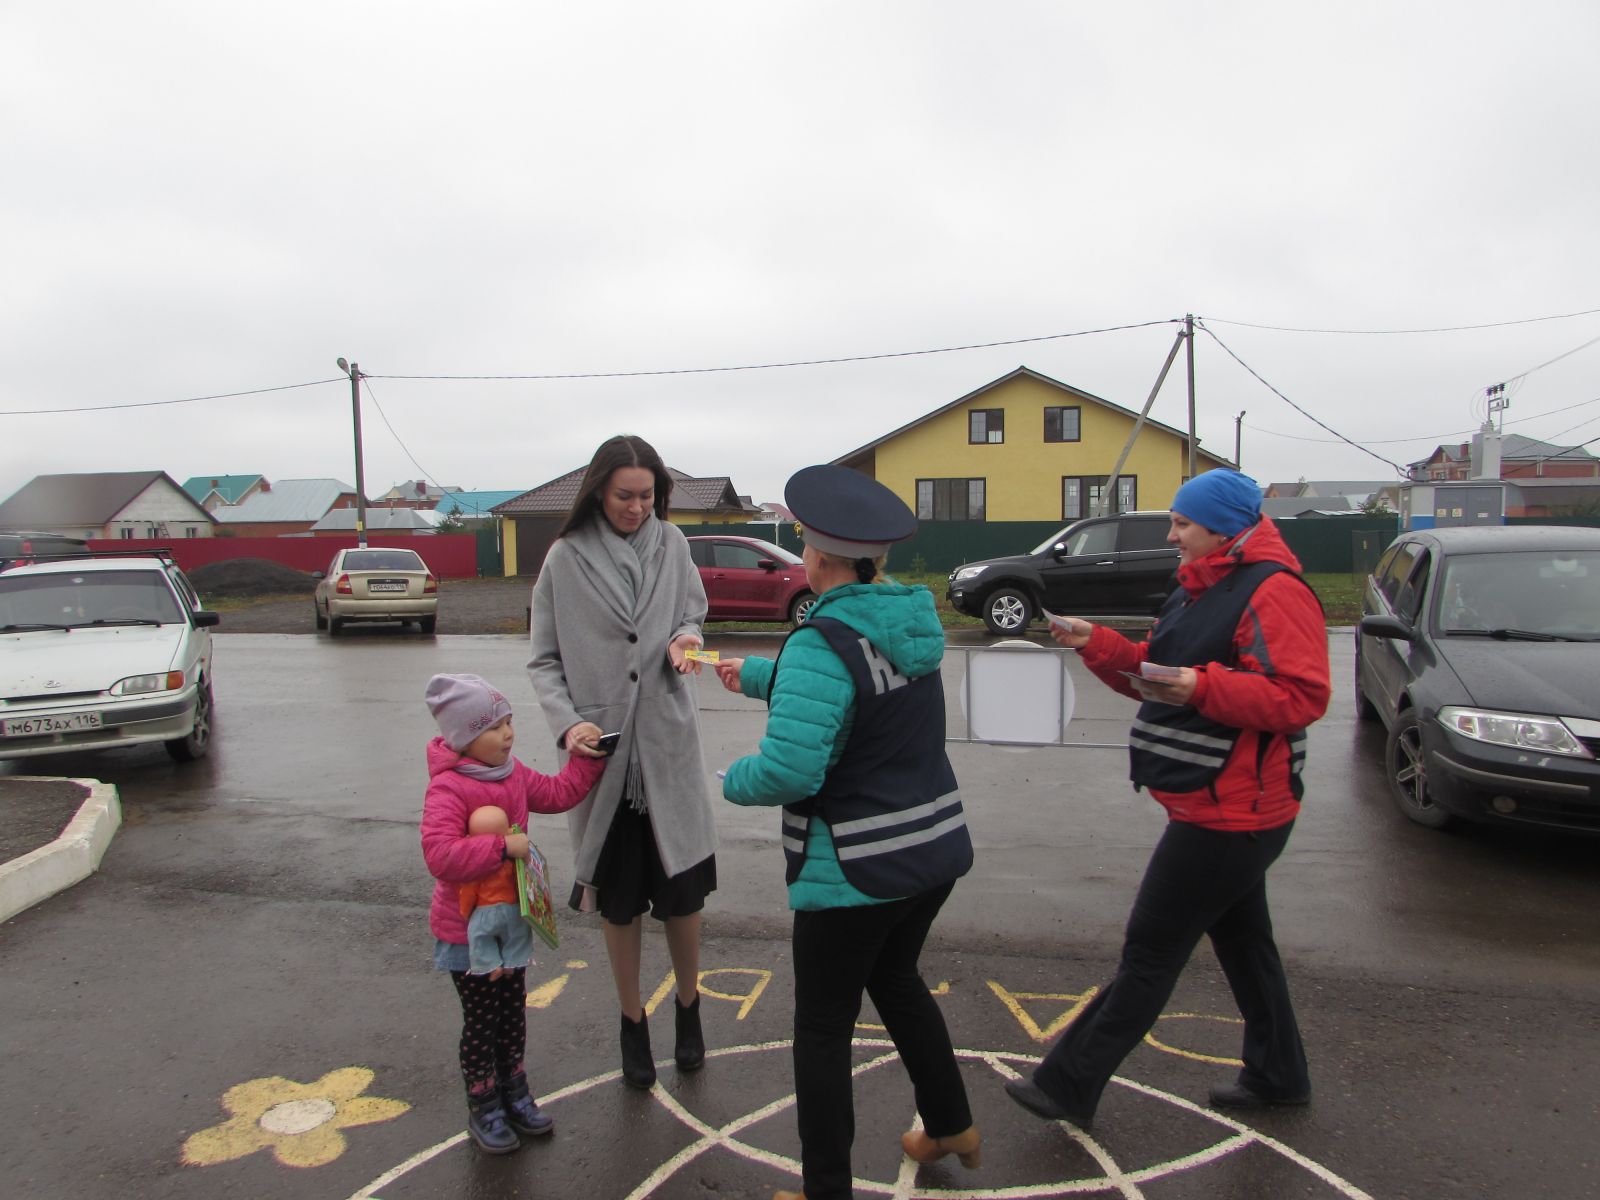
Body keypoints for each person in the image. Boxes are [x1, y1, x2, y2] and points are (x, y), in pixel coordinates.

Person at [1005, 468, 1331, 1132]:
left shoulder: (1275, 591)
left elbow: (1300, 696)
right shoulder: (1197, 588)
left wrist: (1202, 686)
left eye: (1182, 523)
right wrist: (1097, 644)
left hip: (1235, 811)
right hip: (1213, 802)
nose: (1171, 535)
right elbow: (1156, 673)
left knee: (1151, 952)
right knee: (1246, 946)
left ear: (1223, 528)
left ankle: (1066, 1083)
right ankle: (1278, 1076)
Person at [714, 464, 978, 1200]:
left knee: (823, 1027)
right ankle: (951, 1123)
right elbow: (862, 688)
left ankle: (825, 1189)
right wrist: (760, 675)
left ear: (817, 556)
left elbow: (790, 771)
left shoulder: (820, 641)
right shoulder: (907, 622)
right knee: (896, 981)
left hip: (854, 868)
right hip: (930, 851)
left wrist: (730, 779)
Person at [527, 433, 719, 1090]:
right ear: (598, 493)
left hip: (668, 748)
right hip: (604, 757)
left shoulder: (675, 545)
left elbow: (692, 615)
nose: (637, 508)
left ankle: (689, 1008)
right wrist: (568, 723)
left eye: (647, 496)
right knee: (619, 904)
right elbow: (543, 660)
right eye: (624, 497)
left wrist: (687, 640)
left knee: (683, 896)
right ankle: (631, 1019)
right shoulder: (565, 558)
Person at [420, 673, 606, 1155]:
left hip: (511, 924)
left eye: (508, 722)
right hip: (467, 934)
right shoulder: (449, 788)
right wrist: (502, 848)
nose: (508, 734)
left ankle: (515, 1091)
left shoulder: (511, 773)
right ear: (463, 738)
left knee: (512, 1015)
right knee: (482, 1021)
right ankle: (484, 1104)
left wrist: (589, 760)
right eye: (494, 727)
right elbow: (440, 855)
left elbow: (557, 793)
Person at [459, 804, 526, 981]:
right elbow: (521, 880)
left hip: (485, 911)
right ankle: (513, 962)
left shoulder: (478, 868)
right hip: (512, 908)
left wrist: (465, 911)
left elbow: (469, 892)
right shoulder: (510, 863)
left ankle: (490, 964)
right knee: (518, 935)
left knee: (479, 937)